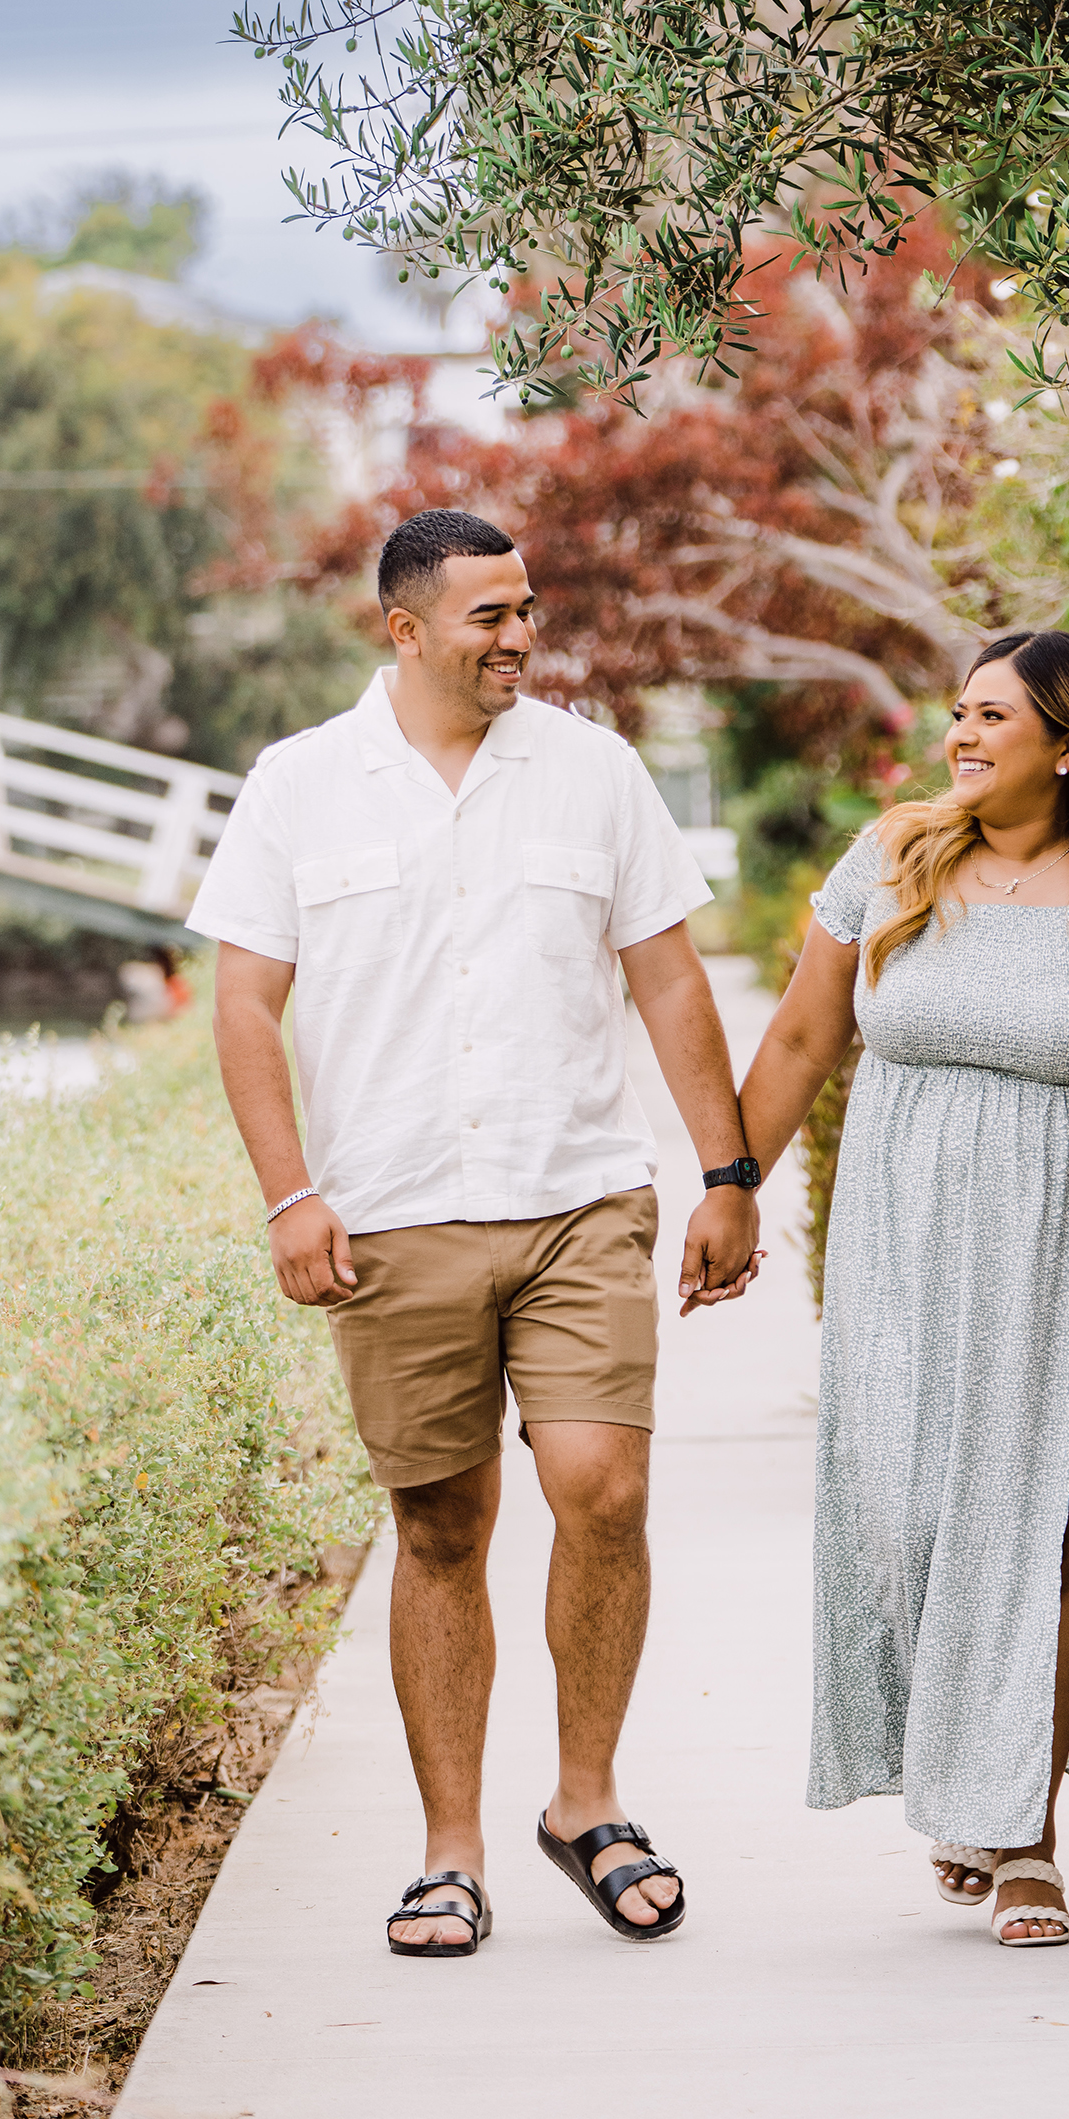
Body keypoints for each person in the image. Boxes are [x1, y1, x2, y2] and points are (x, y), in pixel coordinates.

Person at [188, 508, 765, 1958]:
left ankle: (587, 1801)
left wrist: (728, 1169)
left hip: (576, 1195)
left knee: (605, 1491)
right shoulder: (299, 786)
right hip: (391, 1215)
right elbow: (245, 1003)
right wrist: (290, 1193)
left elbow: (671, 984)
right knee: (440, 1528)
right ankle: (451, 1852)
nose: (522, 637)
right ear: (405, 630)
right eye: (490, 617)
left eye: (528, 610)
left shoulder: (594, 774)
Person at [734, 628, 1069, 1947]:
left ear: (1066, 747)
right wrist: (728, 1181)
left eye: (992, 720)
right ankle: (958, 1769)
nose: (960, 738)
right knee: (907, 1508)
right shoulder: (896, 855)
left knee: (1056, 1515)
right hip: (906, 1228)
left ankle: (1020, 1832)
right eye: (957, 715)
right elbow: (801, 1033)